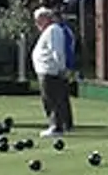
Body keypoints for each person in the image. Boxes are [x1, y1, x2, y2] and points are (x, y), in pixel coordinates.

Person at [31, 7, 77, 137]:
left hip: (50, 71)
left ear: (45, 18)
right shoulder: (51, 30)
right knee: (53, 99)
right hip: (48, 71)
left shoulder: (53, 30)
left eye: (38, 20)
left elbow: (57, 51)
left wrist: (62, 68)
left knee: (52, 100)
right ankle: (60, 125)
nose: (36, 23)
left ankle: (56, 127)